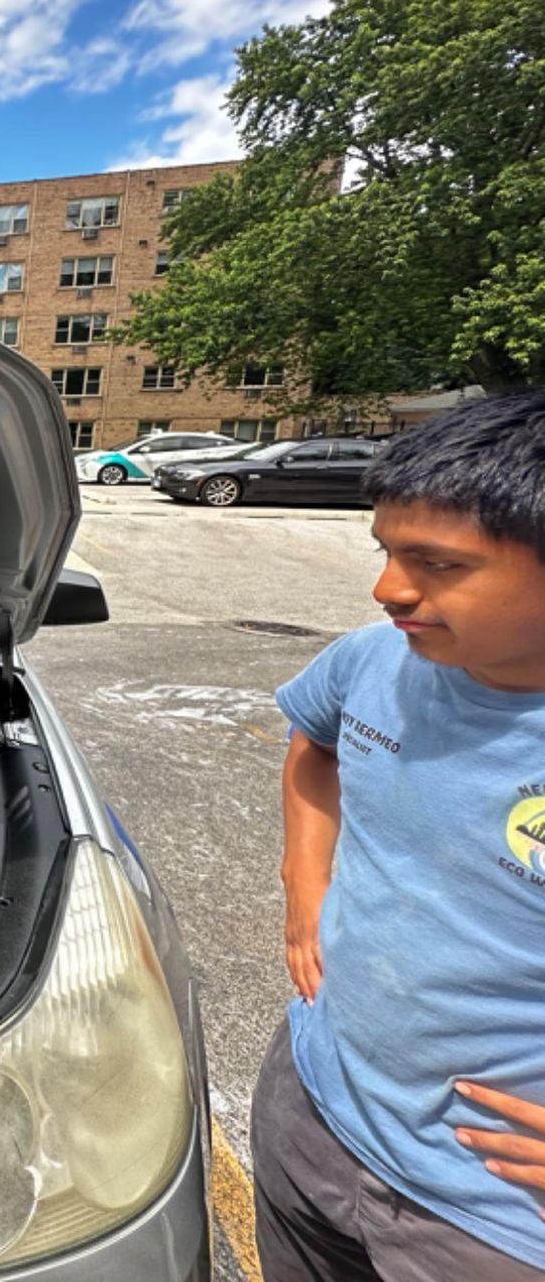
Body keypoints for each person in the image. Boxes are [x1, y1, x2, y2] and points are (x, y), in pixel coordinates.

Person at [257, 388, 545, 1280]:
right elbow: (315, 750)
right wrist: (305, 886)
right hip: (310, 1104)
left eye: (437, 563)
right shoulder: (373, 660)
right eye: (385, 551)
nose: (388, 589)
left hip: (488, 1216)